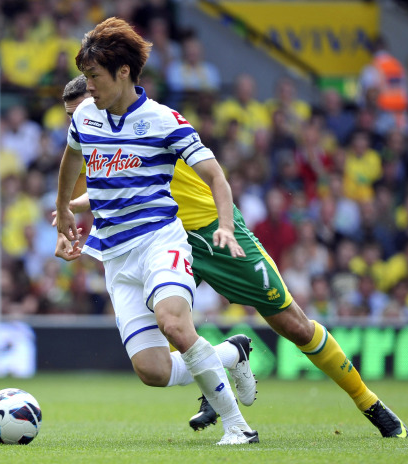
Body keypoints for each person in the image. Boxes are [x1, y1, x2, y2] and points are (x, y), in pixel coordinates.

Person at [56, 76, 408, 440]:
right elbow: (104, 189)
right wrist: (69, 208)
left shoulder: (149, 122)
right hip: (156, 240)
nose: (78, 118)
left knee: (294, 325)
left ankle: (369, 403)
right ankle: (225, 368)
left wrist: (225, 224)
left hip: (212, 231)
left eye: (83, 106)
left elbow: (208, 174)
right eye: (71, 115)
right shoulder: (92, 132)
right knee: (164, 346)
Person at [54, 17, 259, 446]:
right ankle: (230, 354)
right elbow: (71, 162)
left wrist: (226, 224)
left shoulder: (164, 121)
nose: (87, 86)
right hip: (115, 256)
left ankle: (238, 427)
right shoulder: (85, 117)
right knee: (153, 371)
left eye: (93, 76)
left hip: (159, 242)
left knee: (174, 325)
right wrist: (64, 211)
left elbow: (216, 176)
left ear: (123, 72)